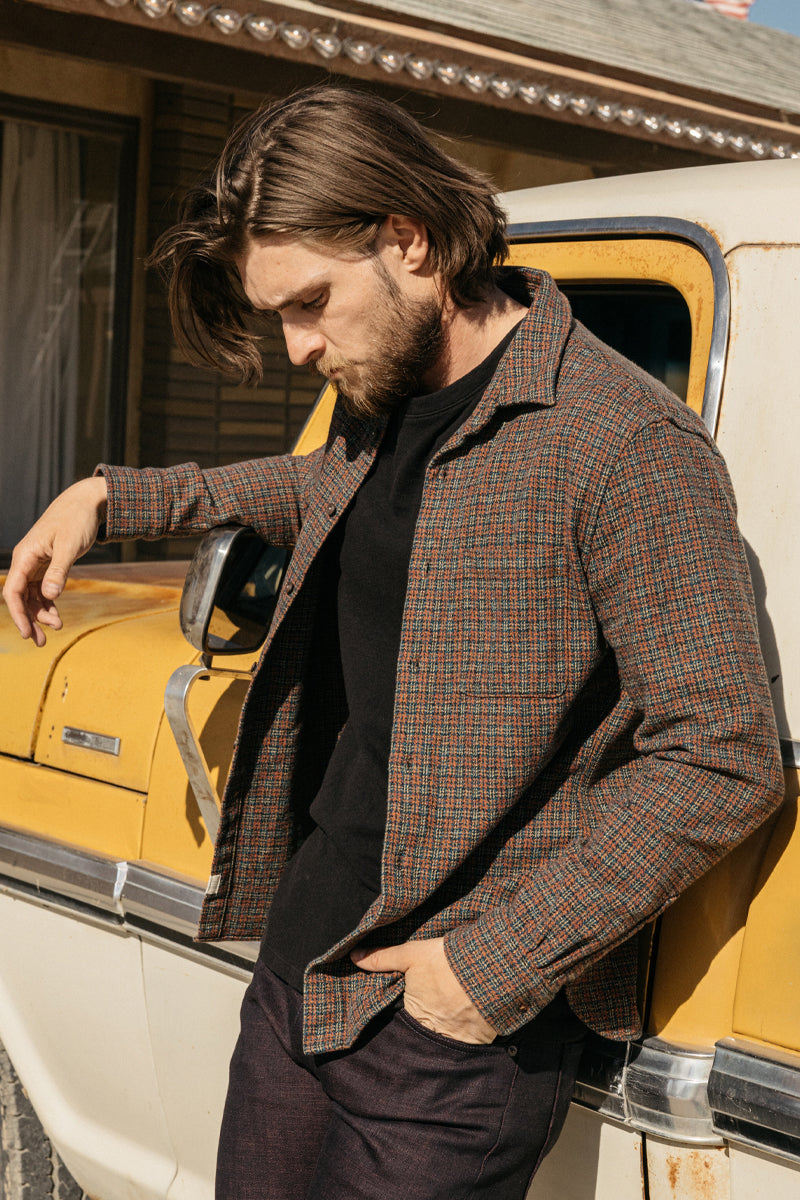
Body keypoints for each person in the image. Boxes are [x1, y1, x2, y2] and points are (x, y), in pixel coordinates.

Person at [3, 86, 783, 1199]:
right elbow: (318, 488)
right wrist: (111, 498)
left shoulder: (623, 444)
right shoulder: (387, 398)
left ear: (408, 241)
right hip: (300, 964)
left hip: (450, 1038)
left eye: (311, 303)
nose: (296, 346)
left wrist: (484, 972)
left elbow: (720, 750)